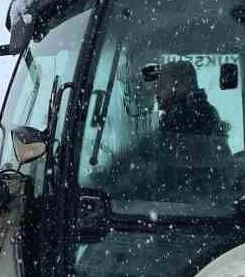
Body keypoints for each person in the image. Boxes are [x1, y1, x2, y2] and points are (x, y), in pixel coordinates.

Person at [93, 59, 232, 202]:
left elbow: (158, 150)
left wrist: (118, 168)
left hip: (181, 205)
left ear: (182, 85)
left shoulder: (189, 117)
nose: (156, 90)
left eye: (162, 85)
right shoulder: (196, 112)